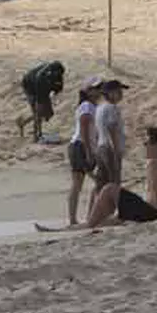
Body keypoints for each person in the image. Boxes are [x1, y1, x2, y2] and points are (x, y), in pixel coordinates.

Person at [84, 80, 131, 228]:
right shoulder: (111, 108)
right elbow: (111, 129)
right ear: (109, 93)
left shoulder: (99, 108)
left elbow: (97, 132)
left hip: (101, 147)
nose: (121, 94)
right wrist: (117, 151)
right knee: (113, 183)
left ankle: (93, 215)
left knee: (101, 184)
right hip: (110, 149)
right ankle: (111, 215)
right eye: (118, 91)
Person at [65, 80, 103, 227]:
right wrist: (89, 152)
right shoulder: (87, 106)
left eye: (100, 88)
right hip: (80, 146)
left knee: (84, 183)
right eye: (96, 88)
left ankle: (86, 216)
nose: (99, 91)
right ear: (88, 91)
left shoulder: (93, 107)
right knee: (83, 183)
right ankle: (77, 219)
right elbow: (84, 129)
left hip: (83, 146)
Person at [17, 61, 66, 143]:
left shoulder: (58, 74)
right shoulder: (41, 76)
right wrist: (40, 105)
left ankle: (23, 122)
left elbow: (59, 87)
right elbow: (39, 96)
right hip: (30, 87)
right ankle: (36, 135)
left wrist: (54, 92)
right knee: (38, 113)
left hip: (43, 88)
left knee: (48, 114)